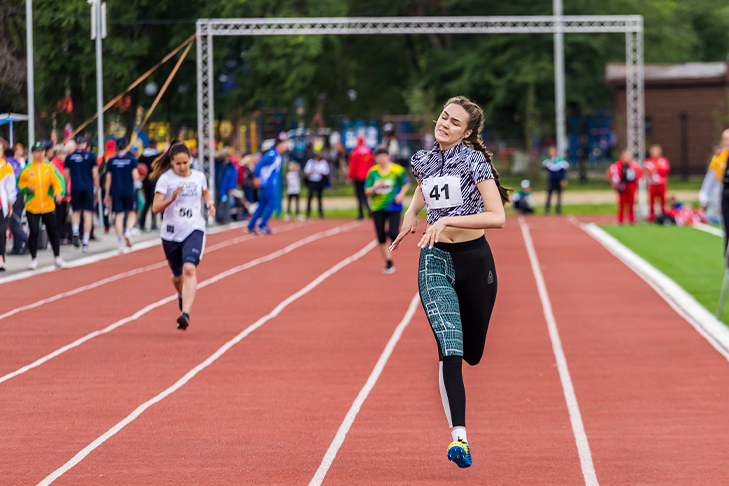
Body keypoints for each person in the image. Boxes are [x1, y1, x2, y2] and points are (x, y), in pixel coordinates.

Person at [390, 96, 510, 469]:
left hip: (475, 261)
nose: (444, 124)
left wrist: (447, 221)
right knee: (450, 347)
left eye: (454, 122)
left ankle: (460, 423)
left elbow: (498, 216)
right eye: (443, 116)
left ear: (468, 132)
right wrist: (413, 214)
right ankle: (459, 436)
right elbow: (424, 186)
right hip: (435, 259)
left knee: (472, 352)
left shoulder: (475, 161)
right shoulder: (423, 159)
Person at [151, 140, 215, 330]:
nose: (182, 167)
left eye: (185, 163)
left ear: (190, 160)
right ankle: (181, 296)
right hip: (171, 234)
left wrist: (210, 204)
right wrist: (171, 199)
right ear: (171, 162)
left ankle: (185, 313)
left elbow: (205, 193)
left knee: (189, 269)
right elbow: (155, 208)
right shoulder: (166, 180)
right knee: (177, 277)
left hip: (193, 229)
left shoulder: (199, 177)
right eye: (178, 164)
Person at [17, 141, 66, 270]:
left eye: (42, 151)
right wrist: (27, 188)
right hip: (32, 207)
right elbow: (19, 184)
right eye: (38, 151)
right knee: (34, 231)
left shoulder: (49, 167)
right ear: (33, 153)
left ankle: (57, 256)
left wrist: (58, 193)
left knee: (53, 231)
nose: (40, 154)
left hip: (48, 205)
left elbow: (57, 181)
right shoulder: (27, 169)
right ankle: (33, 258)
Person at [364, 146, 410, 274]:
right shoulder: (373, 172)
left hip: (394, 206)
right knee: (380, 236)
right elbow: (366, 191)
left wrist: (400, 195)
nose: (381, 160)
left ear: (388, 157)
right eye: (379, 158)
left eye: (384, 157)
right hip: (377, 207)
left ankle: (395, 235)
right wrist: (374, 187)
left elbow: (406, 183)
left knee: (392, 233)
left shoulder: (397, 170)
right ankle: (389, 262)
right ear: (376, 159)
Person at [64, 135, 99, 252]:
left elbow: (66, 175)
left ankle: (75, 230)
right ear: (84, 144)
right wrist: (97, 189)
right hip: (87, 187)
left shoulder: (70, 157)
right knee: (88, 213)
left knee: (76, 211)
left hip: (75, 187)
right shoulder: (90, 156)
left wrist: (66, 189)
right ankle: (85, 242)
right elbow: (95, 174)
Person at [104, 139, 139, 253]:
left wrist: (107, 194)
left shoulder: (111, 161)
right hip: (128, 190)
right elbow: (135, 175)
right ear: (125, 147)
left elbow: (108, 179)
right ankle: (128, 231)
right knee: (132, 213)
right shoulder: (131, 160)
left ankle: (120, 242)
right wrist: (139, 184)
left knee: (118, 216)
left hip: (116, 191)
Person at [247, 133, 287, 235]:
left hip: (268, 183)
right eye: (284, 145)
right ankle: (262, 224)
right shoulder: (272, 154)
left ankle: (251, 225)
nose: (285, 147)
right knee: (272, 203)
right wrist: (256, 177)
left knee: (262, 205)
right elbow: (259, 164)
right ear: (279, 145)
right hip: (266, 183)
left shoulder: (276, 155)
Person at [607, 149, 643, 225]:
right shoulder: (617, 165)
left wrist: (636, 180)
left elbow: (640, 173)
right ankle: (620, 220)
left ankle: (632, 220)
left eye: (629, 156)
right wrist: (614, 183)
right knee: (621, 203)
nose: (627, 157)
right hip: (622, 185)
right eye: (626, 155)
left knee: (632, 203)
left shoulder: (634, 165)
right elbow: (610, 174)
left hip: (631, 185)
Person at [3, 148, 28, 254]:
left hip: (13, 195)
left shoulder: (6, 164)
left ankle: (28, 241)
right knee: (15, 220)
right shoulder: (17, 162)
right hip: (21, 193)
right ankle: (17, 247)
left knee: (13, 222)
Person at [700, 132, 729, 225]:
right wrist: (704, 198)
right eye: (725, 139)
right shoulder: (718, 158)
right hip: (722, 187)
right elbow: (710, 179)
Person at [347, 135, 374, 220]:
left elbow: (352, 165)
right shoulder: (369, 151)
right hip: (367, 176)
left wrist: (349, 176)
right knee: (366, 194)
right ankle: (370, 212)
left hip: (358, 176)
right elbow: (371, 164)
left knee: (359, 195)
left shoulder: (355, 152)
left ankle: (361, 213)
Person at [643, 143, 671, 222]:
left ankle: (663, 215)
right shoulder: (648, 161)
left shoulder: (663, 160)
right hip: (652, 184)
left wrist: (656, 167)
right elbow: (646, 171)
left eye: (657, 151)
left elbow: (666, 170)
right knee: (651, 201)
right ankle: (651, 216)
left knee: (663, 200)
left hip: (661, 183)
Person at [138, 140, 162, 231]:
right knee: (154, 203)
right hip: (154, 181)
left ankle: (142, 223)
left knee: (147, 203)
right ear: (155, 145)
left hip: (144, 181)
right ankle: (153, 224)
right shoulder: (157, 156)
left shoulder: (142, 156)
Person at [0, 153, 18, 270]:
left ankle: (1, 258)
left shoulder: (6, 167)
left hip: (1, 205)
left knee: (1, 232)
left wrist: (10, 202)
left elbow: (10, 187)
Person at [49, 144, 70, 244]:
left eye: (63, 153)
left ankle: (64, 235)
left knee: (65, 216)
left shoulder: (65, 163)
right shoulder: (52, 164)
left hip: (67, 193)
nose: (62, 155)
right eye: (59, 153)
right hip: (58, 194)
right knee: (58, 216)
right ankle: (58, 236)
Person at [542, 145, 569, 215]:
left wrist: (563, 180)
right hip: (551, 180)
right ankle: (547, 210)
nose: (552, 152)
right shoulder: (548, 161)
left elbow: (563, 171)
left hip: (559, 180)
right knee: (549, 195)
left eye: (553, 151)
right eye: (550, 151)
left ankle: (558, 210)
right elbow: (544, 167)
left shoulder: (561, 160)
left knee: (559, 195)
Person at [304, 152, 329, 219]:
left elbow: (326, 172)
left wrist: (321, 173)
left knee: (319, 198)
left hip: (320, 181)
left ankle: (321, 213)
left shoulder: (323, 162)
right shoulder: (310, 162)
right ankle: (308, 213)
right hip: (312, 181)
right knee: (310, 197)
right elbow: (306, 173)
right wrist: (312, 172)